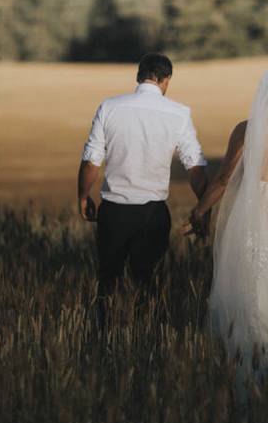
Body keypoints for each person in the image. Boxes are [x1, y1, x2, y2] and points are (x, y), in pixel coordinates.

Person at [185, 66, 268, 390]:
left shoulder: (246, 129)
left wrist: (199, 212)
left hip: (251, 213)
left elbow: (223, 180)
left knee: (251, 286)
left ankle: (248, 366)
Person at [77, 53, 208, 330]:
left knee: (107, 282)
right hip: (153, 214)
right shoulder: (179, 113)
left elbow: (91, 161)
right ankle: (148, 341)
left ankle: (104, 341)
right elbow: (194, 167)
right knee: (149, 284)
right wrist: (204, 206)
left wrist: (83, 195)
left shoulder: (110, 107)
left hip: (114, 212)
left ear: (139, 76)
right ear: (166, 80)